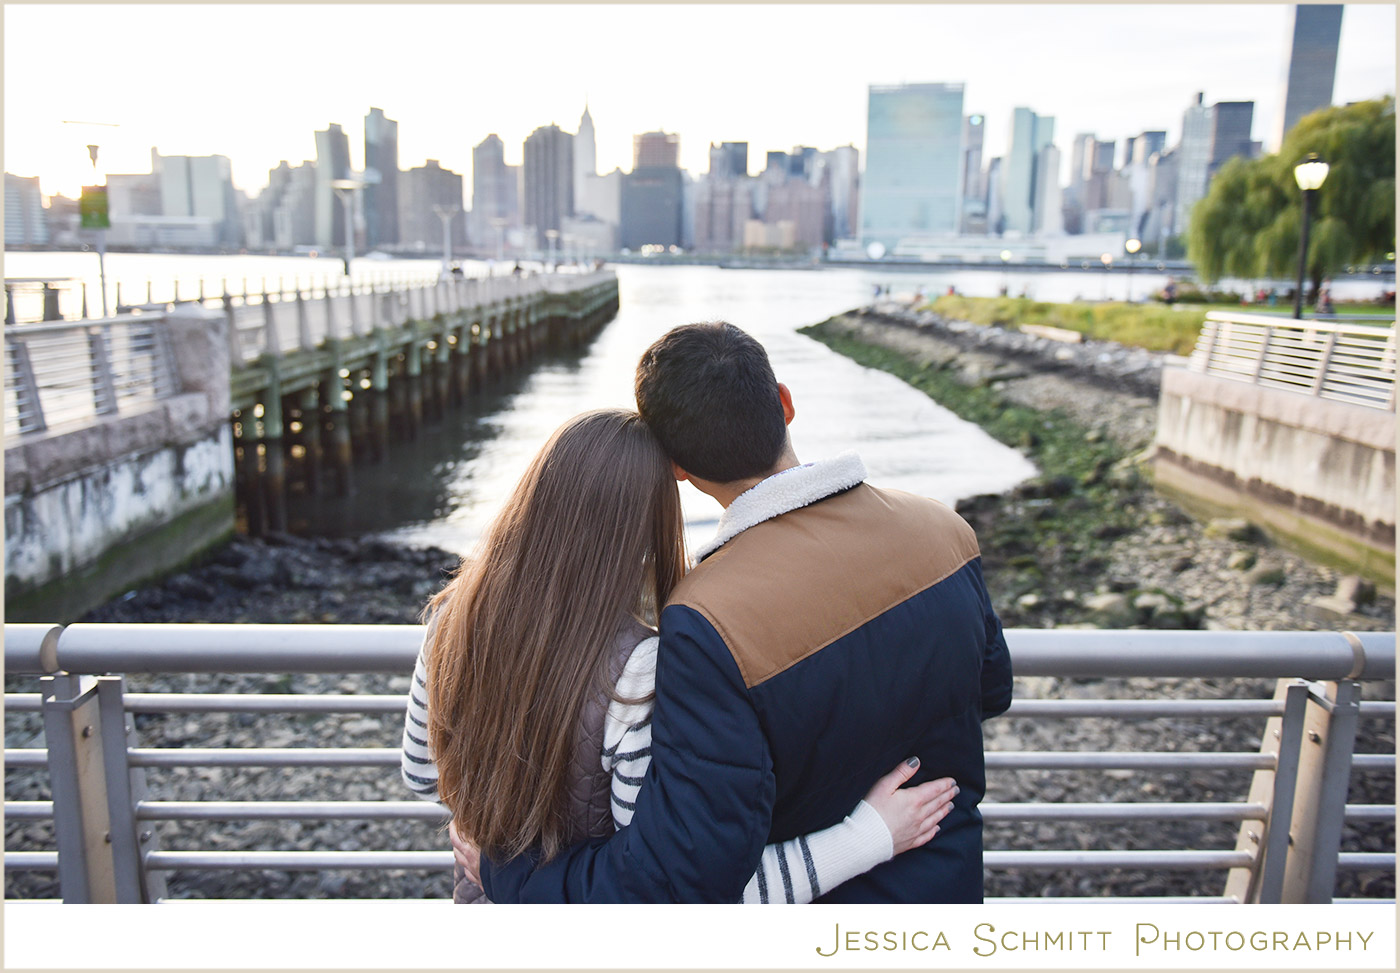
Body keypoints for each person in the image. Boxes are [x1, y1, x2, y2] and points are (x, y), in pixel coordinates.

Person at [470, 322, 1013, 903]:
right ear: (784, 403)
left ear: (676, 467)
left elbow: (680, 873)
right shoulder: (944, 529)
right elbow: (992, 689)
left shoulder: (708, 617)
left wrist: (509, 874)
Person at [401, 408, 961, 903]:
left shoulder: (450, 620)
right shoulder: (637, 670)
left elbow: (422, 775)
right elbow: (680, 887)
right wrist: (866, 839)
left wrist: (495, 841)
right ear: (643, 528)